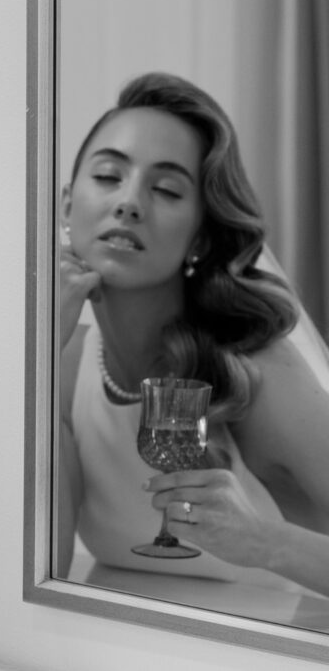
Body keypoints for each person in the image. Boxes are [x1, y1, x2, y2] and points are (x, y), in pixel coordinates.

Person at [57, 72, 329, 597]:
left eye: (165, 189)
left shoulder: (258, 377)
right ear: (68, 206)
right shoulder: (64, 368)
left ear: (200, 236)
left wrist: (265, 543)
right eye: (109, 176)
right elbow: (39, 566)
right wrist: (37, 352)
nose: (129, 202)